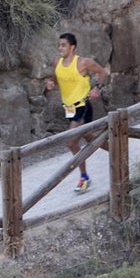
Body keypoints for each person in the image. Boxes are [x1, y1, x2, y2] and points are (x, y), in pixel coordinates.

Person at [45, 32, 110, 193]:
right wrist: (51, 83)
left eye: (63, 45)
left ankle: (84, 178)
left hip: (83, 105)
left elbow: (103, 73)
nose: (60, 48)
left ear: (72, 47)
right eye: (59, 45)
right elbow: (56, 76)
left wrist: (97, 88)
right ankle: (117, 152)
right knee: (89, 137)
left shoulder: (83, 63)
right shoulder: (57, 62)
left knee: (71, 142)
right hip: (69, 108)